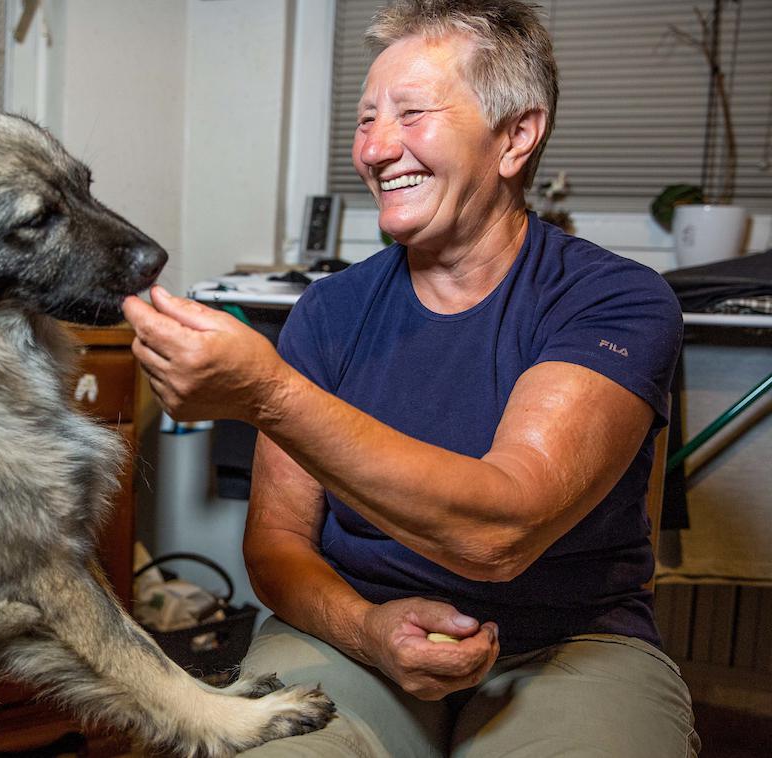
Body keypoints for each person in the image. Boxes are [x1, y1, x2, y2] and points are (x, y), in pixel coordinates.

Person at [122, 1, 700, 755]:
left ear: (517, 136)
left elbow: (501, 534)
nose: (377, 147)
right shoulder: (328, 313)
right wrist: (366, 628)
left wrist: (269, 393)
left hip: (569, 645)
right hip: (350, 632)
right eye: (365, 120)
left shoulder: (614, 299)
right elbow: (276, 545)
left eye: (411, 113)